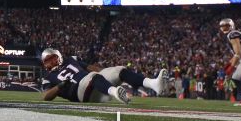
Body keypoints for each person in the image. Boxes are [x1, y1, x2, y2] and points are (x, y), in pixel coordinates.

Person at [36, 49, 171, 103]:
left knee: (119, 70)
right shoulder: (48, 77)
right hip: (80, 93)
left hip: (96, 86)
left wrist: (109, 73)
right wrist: (60, 87)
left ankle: (154, 84)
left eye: (52, 58)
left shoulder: (71, 60)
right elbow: (45, 96)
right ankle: (115, 92)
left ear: (58, 56)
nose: (51, 62)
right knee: (93, 76)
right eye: (48, 61)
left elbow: (90, 67)